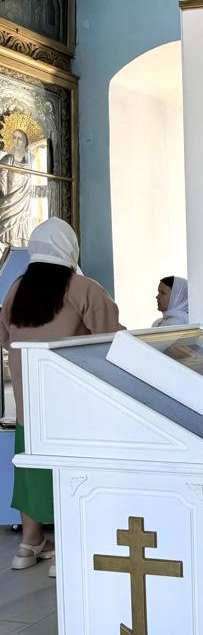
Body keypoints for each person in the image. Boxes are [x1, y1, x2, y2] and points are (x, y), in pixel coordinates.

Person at [0, 218, 122, 577]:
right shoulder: (83, 288)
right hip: (72, 404)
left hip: (28, 404)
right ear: (71, 249)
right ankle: (63, 551)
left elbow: (5, 338)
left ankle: (29, 544)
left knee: (31, 469)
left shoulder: (17, 289)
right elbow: (112, 339)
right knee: (71, 473)